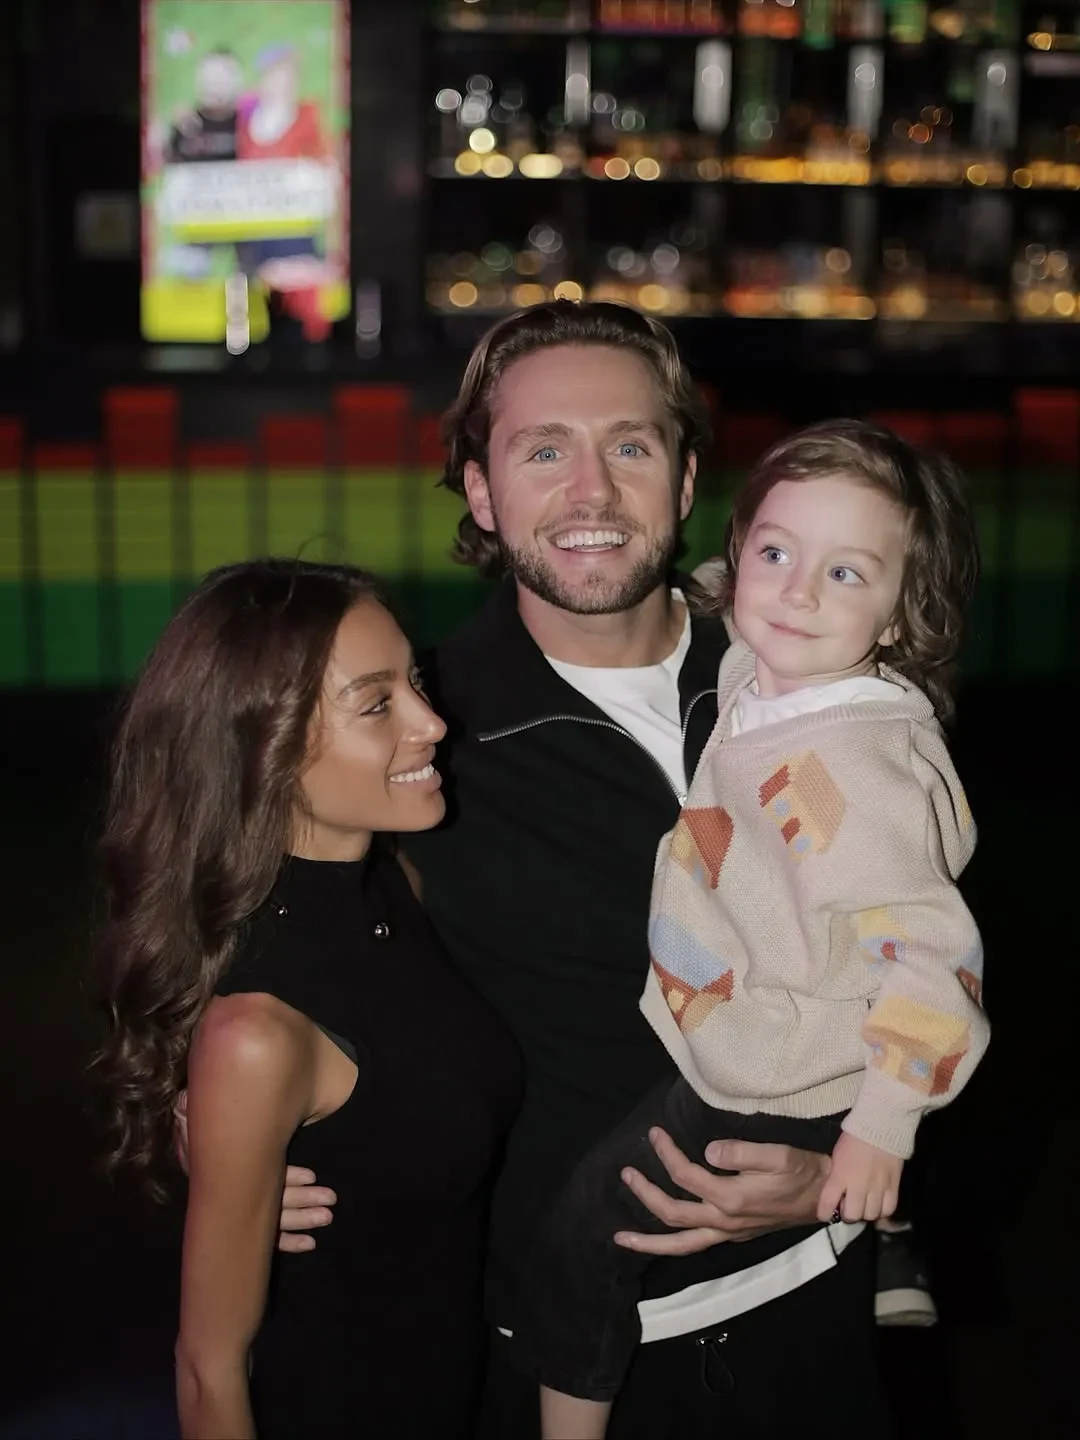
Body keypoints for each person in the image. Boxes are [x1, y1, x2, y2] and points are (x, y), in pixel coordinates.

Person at [269, 302, 896, 1437]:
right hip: (571, 1354)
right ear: (480, 491)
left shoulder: (826, 680)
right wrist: (219, 1128)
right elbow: (270, 938)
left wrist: (859, 1176)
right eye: (543, 451)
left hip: (821, 1303)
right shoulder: (423, 734)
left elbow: (931, 956)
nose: (592, 492)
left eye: (631, 446)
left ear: (687, 476)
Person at [519, 419, 988, 1439]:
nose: (796, 592)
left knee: (577, 1249)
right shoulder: (772, 676)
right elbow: (740, 609)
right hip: (755, 1030)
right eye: (776, 553)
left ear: (901, 616)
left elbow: (935, 959)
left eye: (845, 573)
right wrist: (712, 582)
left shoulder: (841, 775)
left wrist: (879, 1130)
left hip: (782, 1070)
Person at [92, 560, 520, 1440]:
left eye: (415, 681)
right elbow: (210, 1374)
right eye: (377, 704)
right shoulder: (257, 1030)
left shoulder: (394, 885)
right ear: (268, 749)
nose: (432, 721)